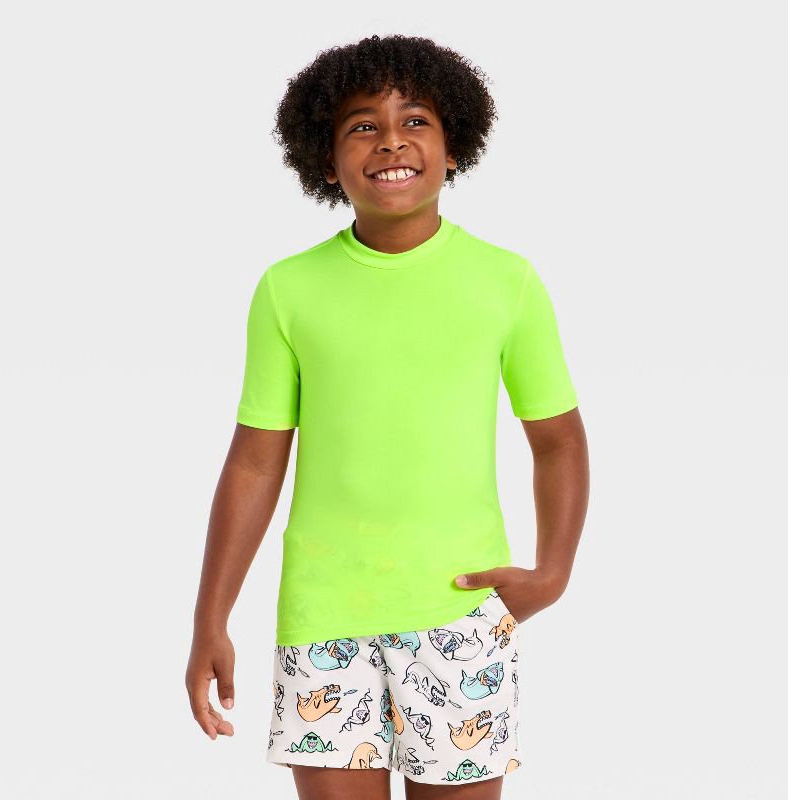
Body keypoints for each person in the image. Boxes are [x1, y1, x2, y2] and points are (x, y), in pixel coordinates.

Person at [186, 33, 590, 800]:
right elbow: (255, 461)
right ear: (326, 160)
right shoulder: (287, 289)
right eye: (363, 126)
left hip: (460, 614)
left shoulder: (506, 282)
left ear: (454, 147)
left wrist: (554, 572)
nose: (392, 141)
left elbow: (558, 440)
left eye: (416, 121)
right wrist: (212, 617)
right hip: (323, 617)